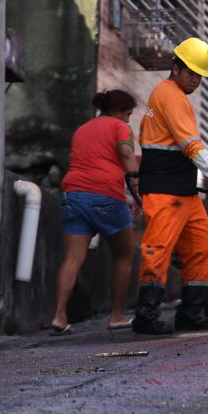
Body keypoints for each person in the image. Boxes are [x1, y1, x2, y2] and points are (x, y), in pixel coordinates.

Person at [132, 37, 208, 336]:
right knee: (158, 249)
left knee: (202, 245)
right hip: (166, 191)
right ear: (175, 67)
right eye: (190, 73)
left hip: (181, 190)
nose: (195, 80)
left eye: (199, 76)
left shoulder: (168, 95)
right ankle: (145, 316)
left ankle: (192, 313)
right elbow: (191, 145)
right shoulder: (171, 95)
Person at [51, 89, 140, 334]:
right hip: (106, 196)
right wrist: (135, 192)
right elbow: (125, 154)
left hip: (74, 195)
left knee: (71, 260)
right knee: (124, 256)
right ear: (120, 110)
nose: (129, 120)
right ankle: (117, 315)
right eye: (128, 114)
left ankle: (59, 316)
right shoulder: (120, 127)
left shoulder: (82, 129)